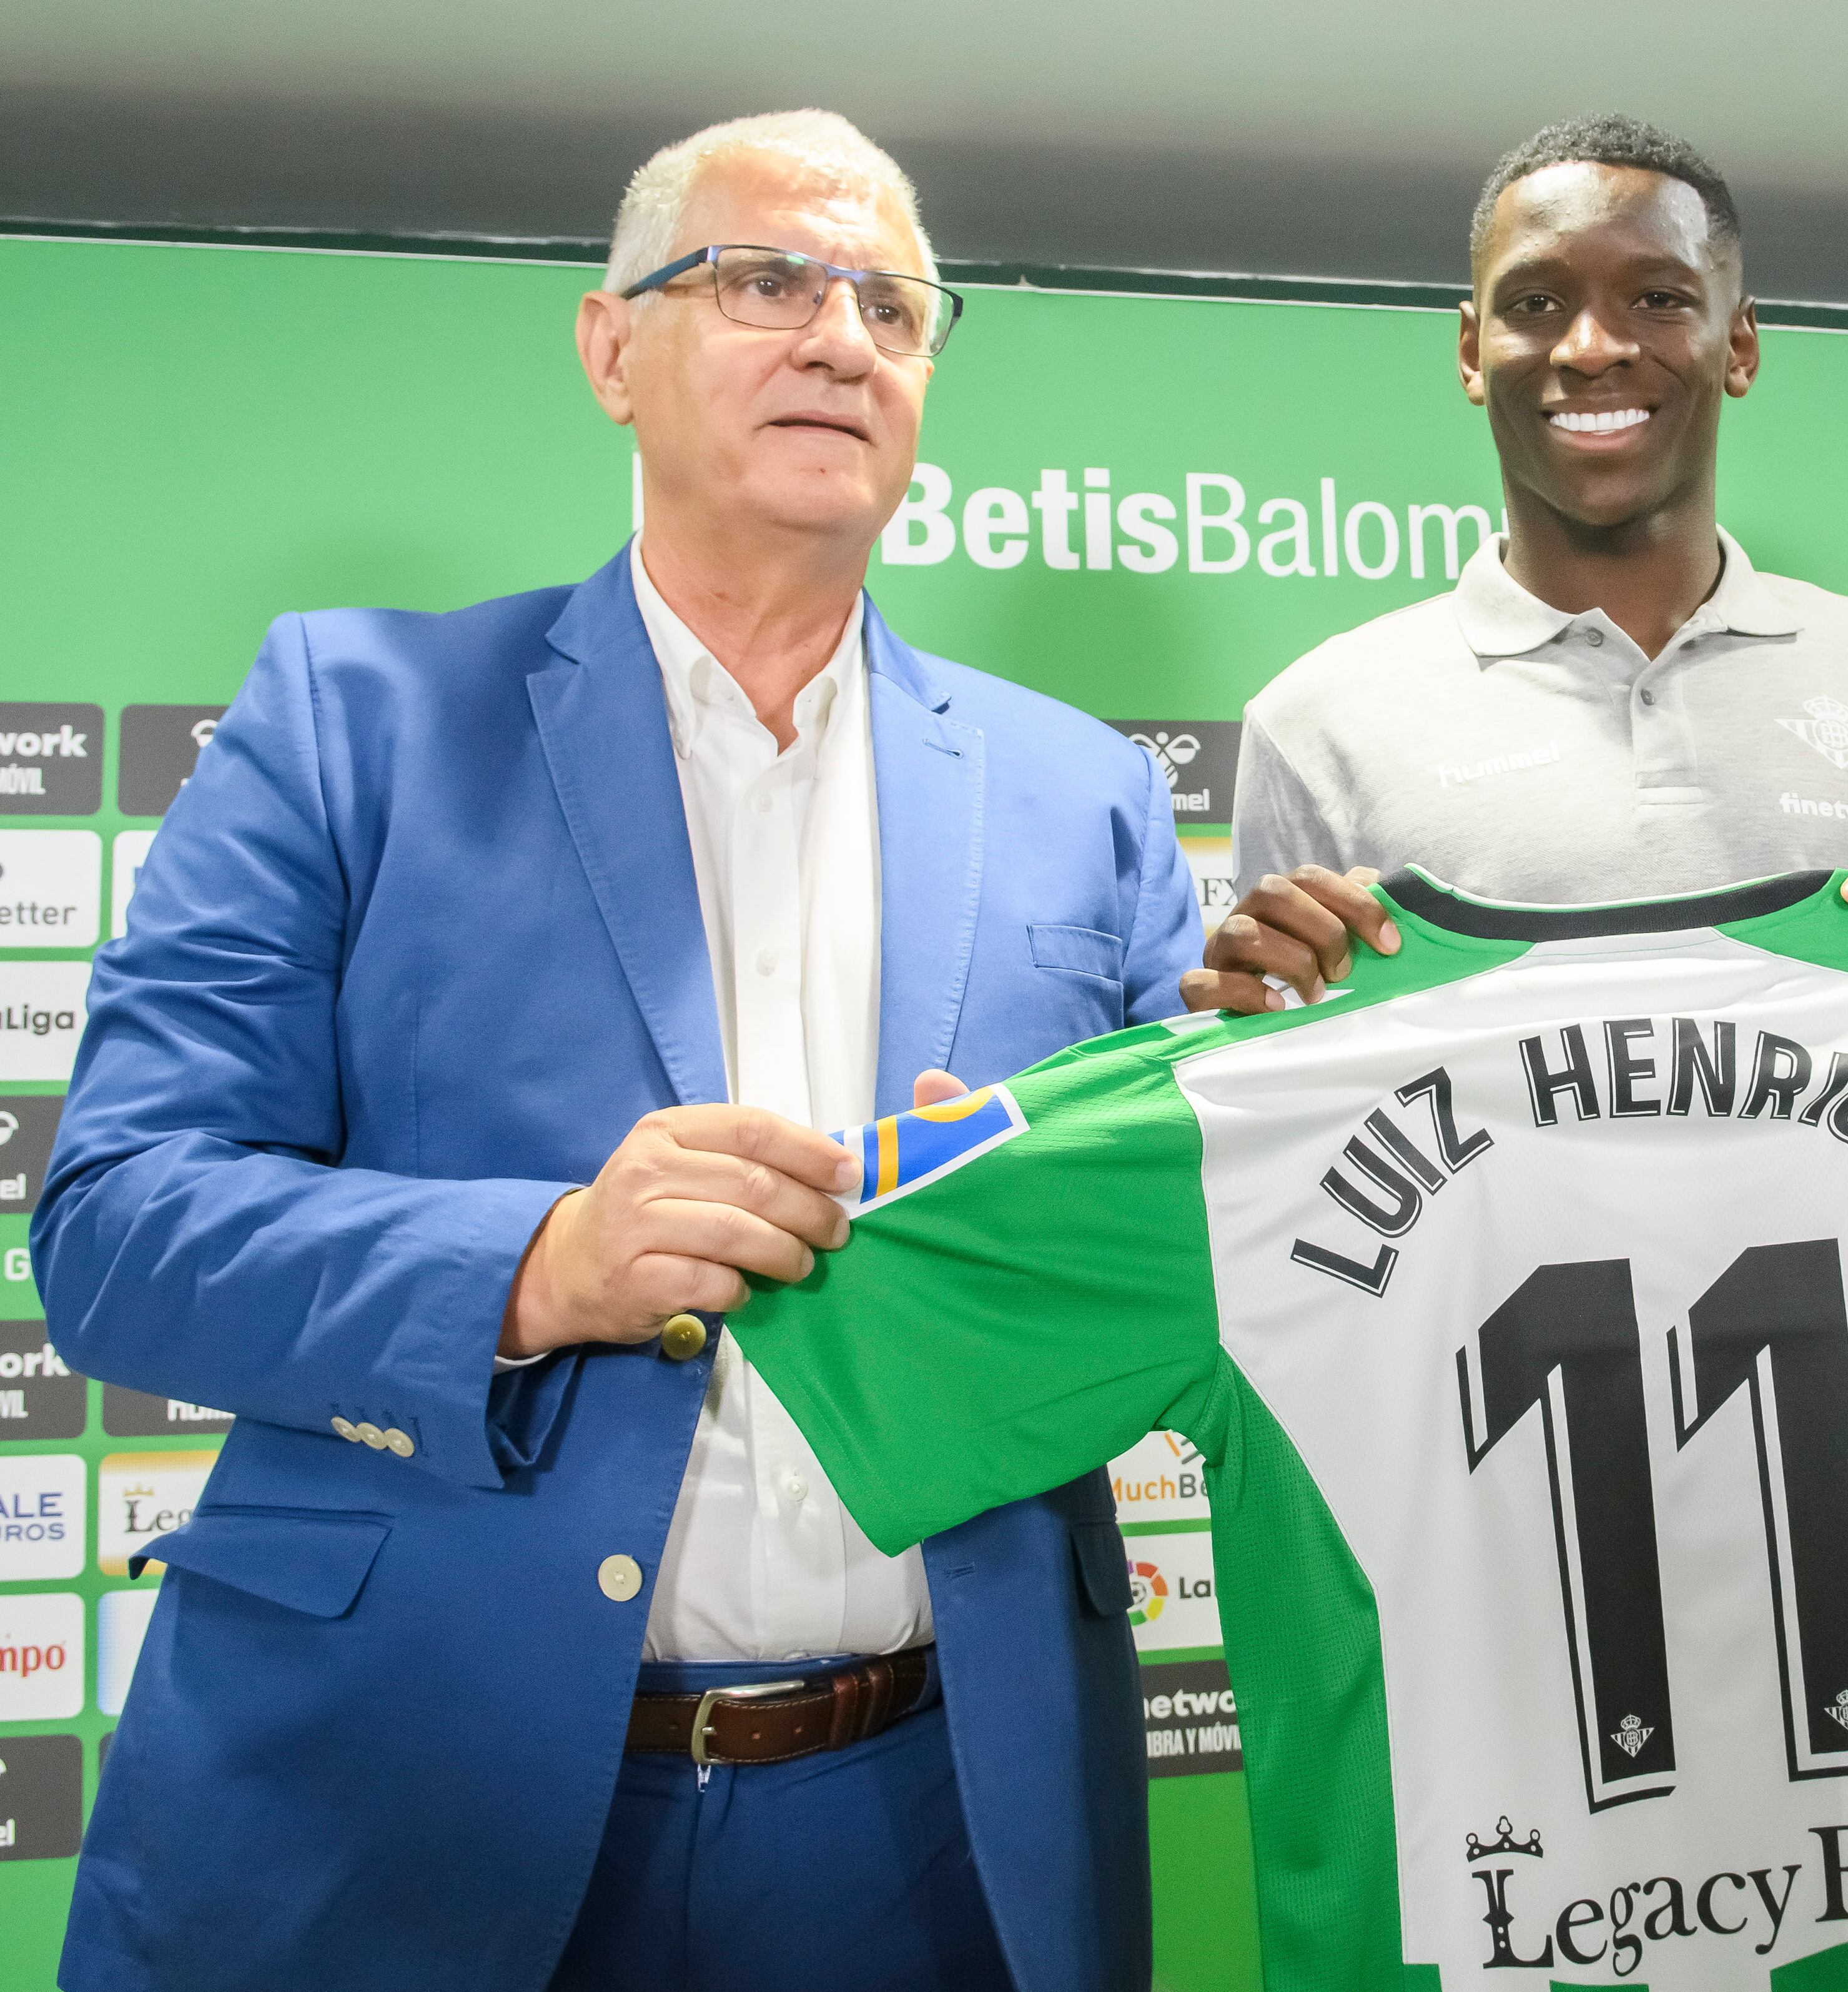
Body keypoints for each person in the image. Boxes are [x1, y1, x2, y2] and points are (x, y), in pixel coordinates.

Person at [38, 111, 1191, 1992]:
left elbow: (1172, 1281)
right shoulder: (353, 716)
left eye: (893, 305)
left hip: (937, 1824)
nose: (841, 338)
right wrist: (538, 1261)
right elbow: (115, 1231)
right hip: (400, 1800)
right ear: (608, 348)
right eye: (765, 281)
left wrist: (1061, 1233)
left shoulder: (1086, 793)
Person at [1192, 112, 1848, 1013]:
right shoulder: (1314, 721)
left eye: (1658, 299)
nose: (1591, 348)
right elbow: (1297, 1095)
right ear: (1471, 352)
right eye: (1536, 303)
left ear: (1739, 343)